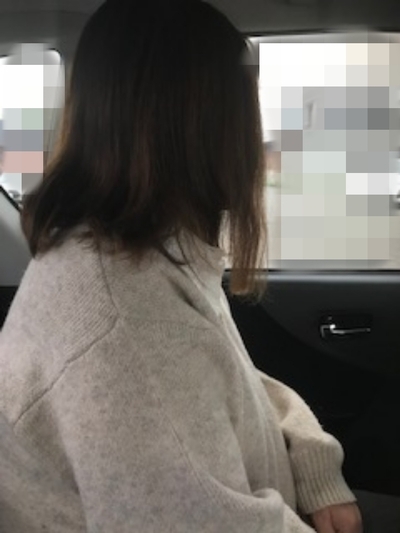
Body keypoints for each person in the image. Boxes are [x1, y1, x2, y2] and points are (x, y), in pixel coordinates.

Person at [0, 0, 365, 531]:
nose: (256, 134)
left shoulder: (143, 252)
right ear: (206, 123)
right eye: (247, 107)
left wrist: (311, 458)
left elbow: (224, 386)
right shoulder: (122, 320)